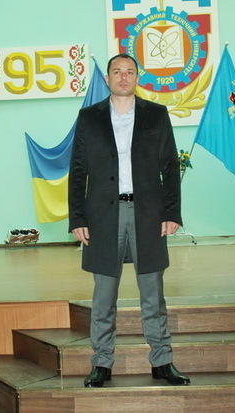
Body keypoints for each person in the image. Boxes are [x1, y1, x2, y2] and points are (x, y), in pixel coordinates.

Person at [68, 53, 190, 388]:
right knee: (103, 297)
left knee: (153, 294)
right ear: (107, 78)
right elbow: (77, 170)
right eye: (117, 71)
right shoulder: (89, 117)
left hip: (148, 215)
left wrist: (171, 212)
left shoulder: (156, 115)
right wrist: (77, 217)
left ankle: (162, 362)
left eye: (130, 71)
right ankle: (101, 363)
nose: (123, 77)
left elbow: (170, 166)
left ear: (138, 78)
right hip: (102, 217)